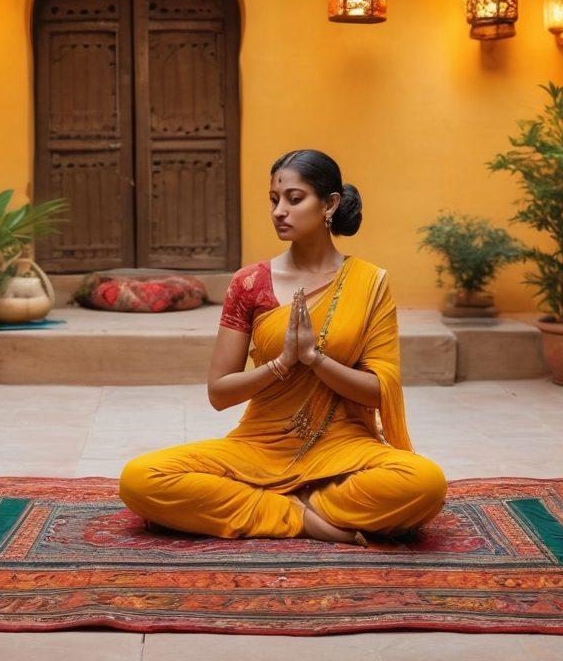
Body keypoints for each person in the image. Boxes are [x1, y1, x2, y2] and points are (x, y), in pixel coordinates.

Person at [119, 149, 447, 545]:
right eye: (274, 200)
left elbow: (380, 391)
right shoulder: (249, 283)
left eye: (294, 199)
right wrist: (281, 363)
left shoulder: (370, 282)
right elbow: (219, 393)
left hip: (342, 447)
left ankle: (272, 503)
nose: (279, 211)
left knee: (425, 484)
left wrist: (314, 359)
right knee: (140, 480)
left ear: (330, 204)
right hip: (259, 445)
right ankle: (302, 516)